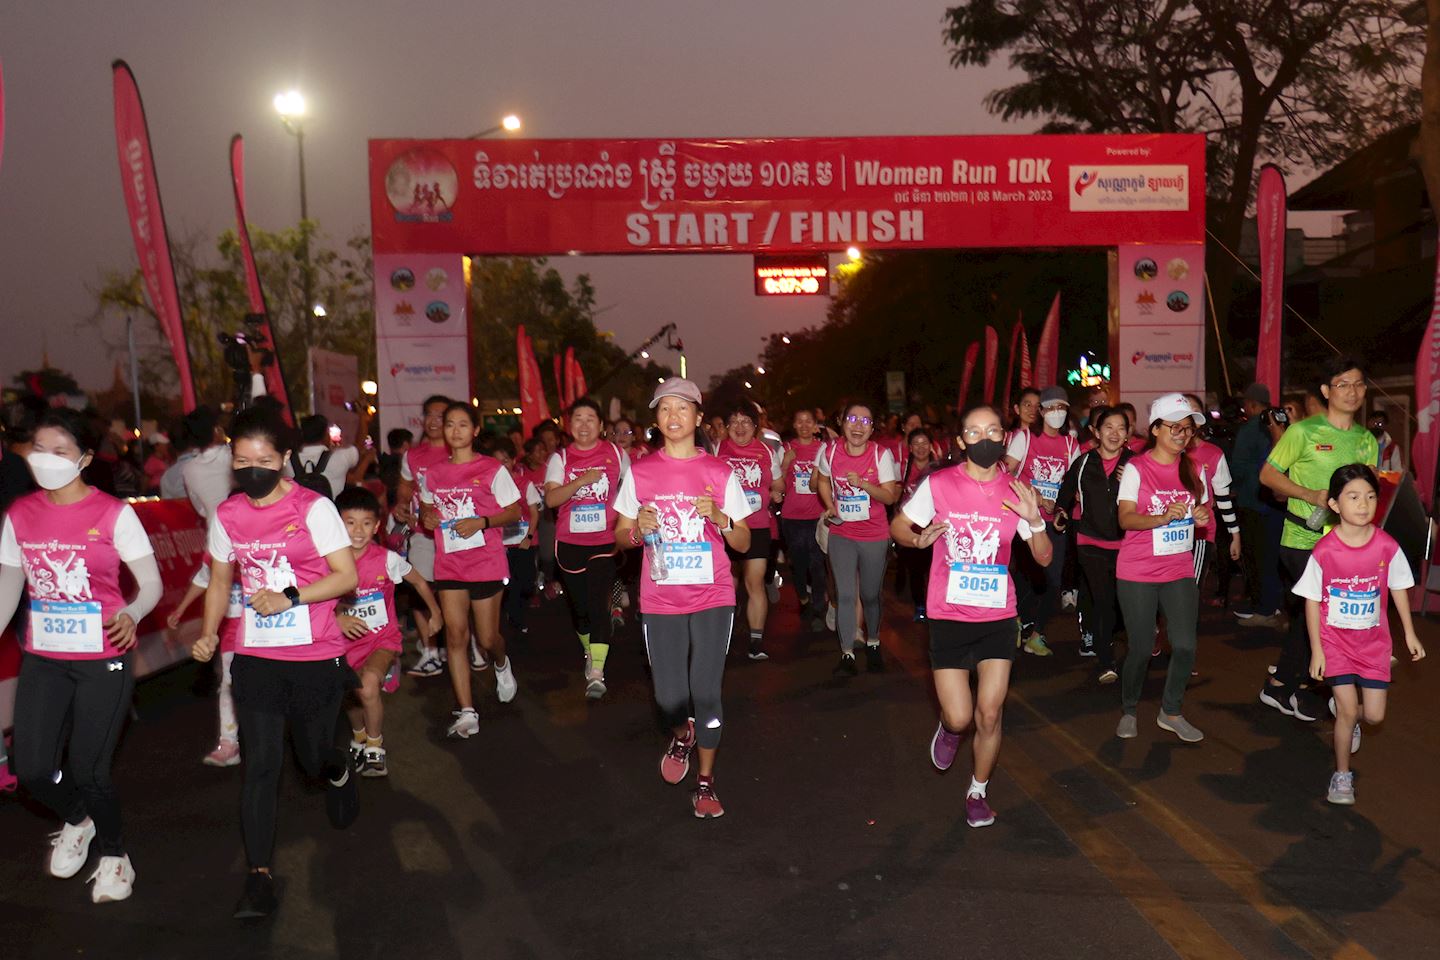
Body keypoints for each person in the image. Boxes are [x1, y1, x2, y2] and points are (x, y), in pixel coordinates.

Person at [189, 406, 360, 919]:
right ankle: (258, 879)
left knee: (311, 759)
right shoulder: (227, 514)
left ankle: (338, 765)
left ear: (284, 459)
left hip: (315, 655)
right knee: (262, 765)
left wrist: (290, 596)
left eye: (263, 459)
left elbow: (345, 576)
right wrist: (206, 632)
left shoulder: (313, 508)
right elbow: (221, 581)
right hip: (257, 656)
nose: (251, 469)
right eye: (241, 461)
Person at [0, 408, 161, 903]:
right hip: (44, 656)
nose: (47, 460)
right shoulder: (19, 515)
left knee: (90, 768)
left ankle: (115, 856)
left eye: (61, 451)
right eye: (39, 449)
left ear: (85, 459)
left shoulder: (114, 513)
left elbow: (151, 584)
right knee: (29, 768)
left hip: (103, 656)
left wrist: (132, 612)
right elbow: (9, 588)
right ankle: (77, 819)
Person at [891, 404, 1050, 828]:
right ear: (961, 442)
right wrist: (918, 539)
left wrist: (1035, 522)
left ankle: (978, 790)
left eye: (993, 430)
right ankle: (948, 727)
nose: (985, 439)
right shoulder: (940, 484)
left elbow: (1044, 557)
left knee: (991, 713)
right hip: (948, 614)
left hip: (998, 615)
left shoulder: (1016, 490)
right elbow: (898, 527)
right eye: (974, 433)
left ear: (1004, 437)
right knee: (961, 716)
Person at [613, 377, 752, 818]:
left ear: (697, 417)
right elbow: (619, 537)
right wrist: (639, 528)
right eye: (664, 410)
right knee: (669, 698)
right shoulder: (640, 472)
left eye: (682, 409)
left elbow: (746, 542)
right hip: (661, 599)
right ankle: (682, 734)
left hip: (713, 594)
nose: (673, 417)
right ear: (656, 419)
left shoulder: (718, 471)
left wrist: (723, 518)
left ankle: (706, 783)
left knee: (706, 692)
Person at [1295, 464, 1425, 804]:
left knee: (1374, 715)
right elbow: (1310, 601)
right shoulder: (1325, 550)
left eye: (1369, 497)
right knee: (1348, 709)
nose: (1363, 504)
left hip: (1373, 644)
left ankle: (1350, 716)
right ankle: (1342, 776)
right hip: (1335, 643)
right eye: (1353, 497)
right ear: (1335, 505)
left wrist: (1409, 633)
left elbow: (1398, 588)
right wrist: (1318, 650)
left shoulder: (1386, 546)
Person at [1259, 358, 1379, 723]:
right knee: (1330, 614)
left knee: (1308, 616)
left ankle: (1281, 684)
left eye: (1358, 384)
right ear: (1327, 392)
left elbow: (1368, 491)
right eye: (1343, 384)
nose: (1352, 391)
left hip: (1346, 544)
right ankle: (1331, 692)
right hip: (1302, 539)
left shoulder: (1366, 440)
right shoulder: (1304, 432)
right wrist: (1309, 494)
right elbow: (1267, 475)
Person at [420, 402, 522, 738]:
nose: (456, 430)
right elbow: (425, 510)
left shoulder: (492, 469)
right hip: (449, 564)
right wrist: (428, 517)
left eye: (464, 424)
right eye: (450, 424)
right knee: (456, 636)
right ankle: (466, 710)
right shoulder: (433, 474)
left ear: (476, 430)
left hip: (486, 563)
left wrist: (483, 521)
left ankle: (501, 662)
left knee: (488, 637)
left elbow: (514, 511)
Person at [1114, 393, 1210, 743]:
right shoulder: (1138, 469)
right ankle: (1128, 708)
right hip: (1137, 571)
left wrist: (1200, 515)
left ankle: (1170, 710)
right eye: (1175, 427)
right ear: (1155, 429)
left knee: (1185, 645)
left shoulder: (1196, 470)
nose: (1182, 434)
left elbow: (1203, 513)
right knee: (1141, 648)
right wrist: (1160, 517)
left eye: (1188, 429)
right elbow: (1125, 518)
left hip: (1179, 569)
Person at [335, 486, 442, 778]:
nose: (358, 530)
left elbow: (419, 581)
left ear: (377, 525)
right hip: (340, 644)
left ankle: (375, 746)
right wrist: (339, 617)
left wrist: (435, 611)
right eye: (350, 522)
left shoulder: (386, 559)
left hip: (381, 639)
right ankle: (359, 735)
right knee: (350, 694)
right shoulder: (327, 564)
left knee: (368, 686)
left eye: (366, 523)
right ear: (336, 523)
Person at [544, 398, 628, 698]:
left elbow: (630, 492)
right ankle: (591, 652)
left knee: (599, 606)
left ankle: (597, 672)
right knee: (581, 610)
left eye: (590, 418)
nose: (583, 424)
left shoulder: (617, 454)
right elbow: (551, 500)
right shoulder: (560, 458)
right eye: (577, 418)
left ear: (601, 425)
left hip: (604, 542)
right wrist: (581, 481)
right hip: (570, 543)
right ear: (569, 426)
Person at [815, 401, 900, 675]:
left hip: (874, 534)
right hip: (842, 533)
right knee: (846, 594)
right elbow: (822, 480)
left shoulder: (880, 455)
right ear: (842, 422)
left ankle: (873, 641)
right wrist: (829, 504)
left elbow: (889, 496)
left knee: (870, 595)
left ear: (872, 428)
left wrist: (863, 484)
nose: (858, 426)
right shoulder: (829, 451)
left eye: (865, 421)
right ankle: (847, 653)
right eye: (852, 419)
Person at [1056, 406, 1133, 683]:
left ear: (1128, 434)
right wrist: (1061, 514)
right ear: (1097, 432)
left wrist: (1133, 483)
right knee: (1102, 603)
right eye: (1108, 427)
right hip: (1091, 543)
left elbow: (1150, 499)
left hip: (1128, 545)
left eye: (1120, 428)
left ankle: (1126, 646)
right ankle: (1106, 661)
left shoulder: (1136, 464)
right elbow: (1065, 493)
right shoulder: (1084, 462)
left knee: (1123, 603)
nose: (1114, 433)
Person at [1003, 386, 1078, 656]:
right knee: (1024, 577)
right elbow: (1005, 473)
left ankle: (1037, 635)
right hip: (1023, 520)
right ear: (1041, 411)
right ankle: (1015, 619)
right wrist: (1034, 495)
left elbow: (1072, 485)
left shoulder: (1071, 444)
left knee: (1053, 581)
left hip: (1053, 522)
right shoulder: (1024, 438)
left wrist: (1061, 509)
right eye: (1051, 407)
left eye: (1062, 408)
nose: (1056, 413)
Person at [717, 400, 783, 660]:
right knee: (728, 583)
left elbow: (779, 483)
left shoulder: (766, 452)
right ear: (726, 427)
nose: (740, 427)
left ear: (755, 427)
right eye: (734, 422)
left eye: (746, 422)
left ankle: (756, 641)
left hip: (757, 526)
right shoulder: (717, 450)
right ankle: (722, 634)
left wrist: (777, 492)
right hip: (726, 527)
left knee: (753, 581)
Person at [168, 559, 245, 766]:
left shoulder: (267, 537)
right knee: (228, 686)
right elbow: (204, 579)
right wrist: (181, 609)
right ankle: (229, 744)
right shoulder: (215, 550)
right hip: (232, 633)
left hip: (269, 632)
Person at [396, 395, 452, 677]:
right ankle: (430, 652)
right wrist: (401, 505)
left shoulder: (460, 452)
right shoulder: (414, 455)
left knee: (452, 595)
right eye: (429, 414)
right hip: (422, 534)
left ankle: (457, 643)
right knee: (419, 592)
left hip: (457, 537)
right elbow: (405, 488)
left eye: (440, 416)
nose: (433, 421)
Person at [1232, 383, 1287, 626]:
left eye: (1246, 404)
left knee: (1258, 558)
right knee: (1276, 557)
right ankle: (1275, 606)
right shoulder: (1284, 425)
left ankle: (1264, 608)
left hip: (1254, 502)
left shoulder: (1249, 430)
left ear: (1253, 405)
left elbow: (1238, 469)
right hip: (1280, 502)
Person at [1183, 394, 1242, 599]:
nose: (1188, 417)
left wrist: (1235, 534)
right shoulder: (1164, 453)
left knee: (1191, 592)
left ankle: (1185, 630)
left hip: (1200, 533)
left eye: (1194, 412)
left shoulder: (1214, 453)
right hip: (1166, 531)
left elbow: (1223, 499)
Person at [779, 408, 827, 629]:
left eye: (809, 421)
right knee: (799, 564)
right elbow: (775, 480)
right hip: (792, 517)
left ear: (815, 425)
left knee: (818, 564)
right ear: (795, 425)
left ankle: (818, 608)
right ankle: (803, 599)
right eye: (800, 421)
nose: (805, 425)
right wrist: (786, 463)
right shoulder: (786, 449)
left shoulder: (823, 450)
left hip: (817, 515)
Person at [495, 439, 542, 635]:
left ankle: (515, 612)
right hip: (502, 543)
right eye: (497, 461)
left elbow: (534, 512)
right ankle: (515, 618)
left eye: (505, 461)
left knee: (525, 582)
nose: (501, 466)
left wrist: (529, 537)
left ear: (514, 461)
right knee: (508, 583)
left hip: (524, 541)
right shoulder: (491, 485)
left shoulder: (524, 484)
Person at [897, 427, 941, 622]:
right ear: (910, 447)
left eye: (925, 443)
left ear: (931, 446)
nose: (921, 448)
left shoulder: (939, 469)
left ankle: (935, 606)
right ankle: (920, 606)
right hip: (910, 531)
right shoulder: (902, 467)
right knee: (915, 571)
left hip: (934, 529)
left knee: (935, 570)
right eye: (916, 444)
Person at [283, 413, 371, 499]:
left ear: (302, 435)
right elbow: (360, 446)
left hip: (299, 513)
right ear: (326, 435)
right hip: (330, 511)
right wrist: (362, 417)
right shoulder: (339, 457)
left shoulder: (287, 462)